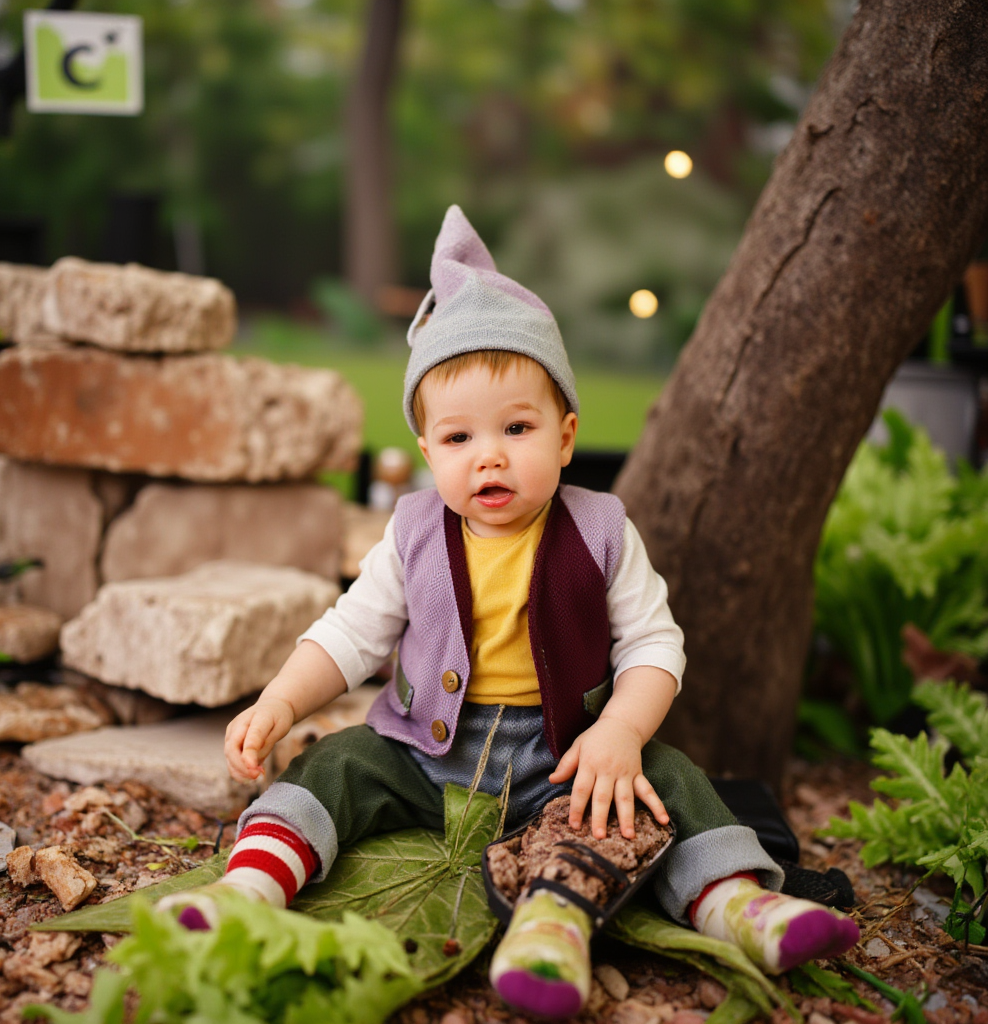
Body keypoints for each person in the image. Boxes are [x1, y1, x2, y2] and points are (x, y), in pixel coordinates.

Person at [162, 206, 858, 1017]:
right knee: (338, 762)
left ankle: (727, 907)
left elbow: (654, 647)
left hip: (561, 764)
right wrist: (280, 700)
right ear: (427, 453)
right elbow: (352, 632)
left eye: (516, 428)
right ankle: (253, 882)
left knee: (661, 782)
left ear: (565, 437)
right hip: (426, 758)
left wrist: (621, 732)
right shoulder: (415, 531)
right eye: (458, 438)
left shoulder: (600, 530)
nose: (488, 454)